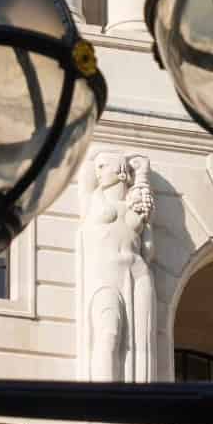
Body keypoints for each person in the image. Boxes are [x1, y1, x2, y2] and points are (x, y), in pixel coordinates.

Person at [78, 151, 156, 382]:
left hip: (138, 274)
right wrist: (140, 170)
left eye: (103, 166)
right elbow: (84, 162)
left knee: (140, 344)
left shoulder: (134, 207)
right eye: (98, 167)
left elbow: (150, 251)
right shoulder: (92, 200)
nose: (98, 172)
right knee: (108, 333)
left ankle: (138, 399)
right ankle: (104, 398)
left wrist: (146, 217)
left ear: (121, 171)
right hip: (104, 276)